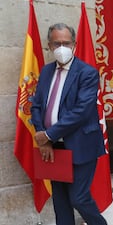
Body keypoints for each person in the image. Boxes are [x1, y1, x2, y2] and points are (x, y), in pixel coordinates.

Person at [30, 23, 107, 225]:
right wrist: (42, 136)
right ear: (49, 46)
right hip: (54, 147)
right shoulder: (46, 72)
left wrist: (48, 134)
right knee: (61, 201)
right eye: (57, 43)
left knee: (78, 197)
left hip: (81, 144)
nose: (62, 47)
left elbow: (81, 112)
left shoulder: (87, 73)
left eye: (66, 43)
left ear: (74, 44)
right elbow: (36, 105)